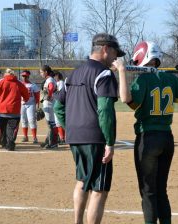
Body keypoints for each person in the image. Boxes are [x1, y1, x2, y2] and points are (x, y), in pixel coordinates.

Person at [113, 41, 178, 224]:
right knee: (161, 189)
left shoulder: (143, 79)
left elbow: (126, 99)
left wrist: (121, 70)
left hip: (148, 138)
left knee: (148, 191)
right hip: (167, 138)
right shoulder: (170, 78)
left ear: (141, 57)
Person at [54, 33, 125, 224]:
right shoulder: (104, 74)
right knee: (99, 190)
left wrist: (69, 128)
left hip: (75, 137)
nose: (115, 58)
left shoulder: (74, 73)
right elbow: (104, 110)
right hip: (96, 138)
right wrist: (109, 142)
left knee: (82, 180)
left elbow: (57, 107)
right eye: (114, 53)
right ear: (105, 49)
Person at [0, 68, 29, 151]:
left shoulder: (1, 82)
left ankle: (5, 142)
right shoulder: (18, 83)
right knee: (11, 128)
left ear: (5, 74)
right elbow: (26, 93)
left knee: (3, 129)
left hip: (2, 110)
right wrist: (25, 99)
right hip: (14, 110)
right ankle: (10, 143)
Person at [39, 65, 58, 149]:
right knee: (51, 123)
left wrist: (49, 95)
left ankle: (53, 143)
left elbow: (51, 87)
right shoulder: (51, 79)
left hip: (49, 103)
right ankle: (48, 141)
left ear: (46, 72)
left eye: (41, 72)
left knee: (51, 124)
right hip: (50, 103)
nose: (41, 74)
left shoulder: (49, 79)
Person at [20, 70, 40, 144]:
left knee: (32, 120)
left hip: (31, 104)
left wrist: (37, 105)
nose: (24, 77)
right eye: (23, 76)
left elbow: (37, 95)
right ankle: (25, 137)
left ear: (28, 76)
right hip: (22, 104)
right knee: (23, 120)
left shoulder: (33, 85)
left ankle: (34, 137)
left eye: (25, 76)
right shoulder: (20, 84)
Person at [53, 70, 65, 144]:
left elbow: (59, 94)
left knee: (59, 121)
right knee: (57, 122)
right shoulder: (56, 83)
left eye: (55, 76)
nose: (54, 77)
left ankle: (62, 138)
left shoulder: (61, 83)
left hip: (60, 104)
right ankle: (61, 137)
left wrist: (52, 92)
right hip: (55, 103)